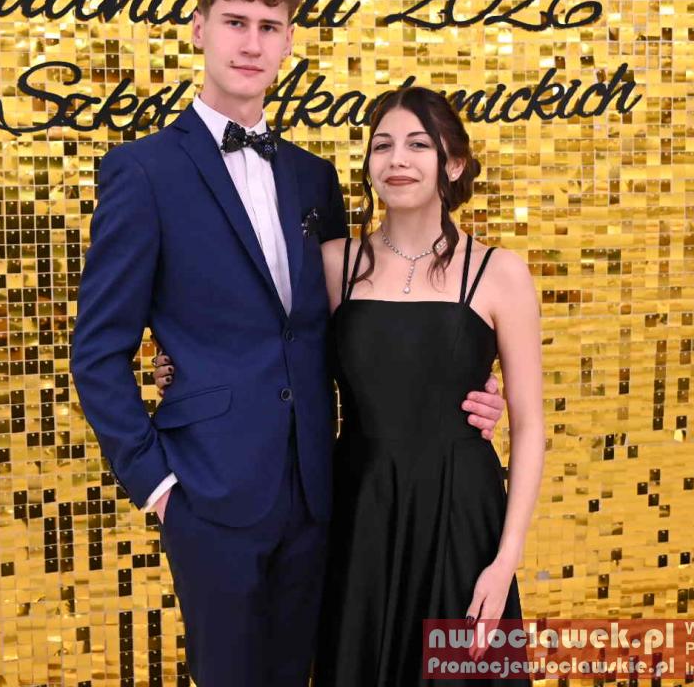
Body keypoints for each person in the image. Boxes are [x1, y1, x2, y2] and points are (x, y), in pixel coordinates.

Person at [69, 0, 505, 687]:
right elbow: (97, 350)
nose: (251, 44)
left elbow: (348, 323)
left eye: (269, 27)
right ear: (199, 28)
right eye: (235, 22)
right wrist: (159, 486)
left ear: (289, 41)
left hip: (322, 492)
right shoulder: (144, 171)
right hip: (207, 492)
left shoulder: (313, 177)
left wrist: (453, 385)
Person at [155, 86, 546, 685]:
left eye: (418, 145)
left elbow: (531, 425)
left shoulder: (502, 273)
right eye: (382, 145)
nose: (397, 160)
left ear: (454, 164)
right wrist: (183, 364)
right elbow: (265, 342)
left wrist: (506, 558)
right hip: (358, 510)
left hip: (462, 510)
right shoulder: (334, 263)